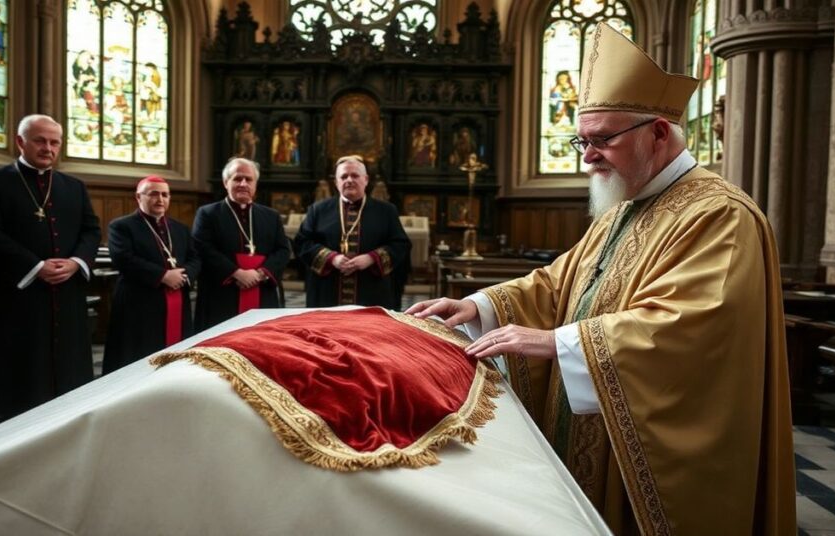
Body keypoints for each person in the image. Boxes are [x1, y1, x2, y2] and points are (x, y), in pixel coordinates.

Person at [407, 23, 795, 535]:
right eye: (581, 141)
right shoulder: (623, 209)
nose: (587, 156)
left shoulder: (721, 215)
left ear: (658, 132)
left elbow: (692, 327)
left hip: (655, 457)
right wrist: (480, 306)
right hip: (590, 427)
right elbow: (557, 283)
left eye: (602, 140)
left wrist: (562, 343)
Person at [0, 114, 101, 425]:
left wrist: (75, 262)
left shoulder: (74, 186)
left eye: (54, 142)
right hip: (14, 293)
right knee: (17, 369)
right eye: (40, 140)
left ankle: (66, 420)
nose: (48, 148)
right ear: (20, 142)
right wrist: (35, 266)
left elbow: (91, 230)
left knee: (66, 367)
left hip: (66, 291)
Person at [103, 176, 200, 373]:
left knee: (177, 355)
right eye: (153, 194)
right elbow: (123, 258)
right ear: (138, 197)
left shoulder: (180, 229)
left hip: (177, 300)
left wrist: (184, 275)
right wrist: (163, 276)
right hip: (138, 303)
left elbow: (195, 258)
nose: (160, 199)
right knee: (137, 357)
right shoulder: (122, 226)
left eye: (165, 194)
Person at [294, 156, 411, 309]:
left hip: (372, 290)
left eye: (355, 175)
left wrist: (371, 258)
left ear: (366, 179)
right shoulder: (318, 210)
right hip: (327, 290)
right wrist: (332, 258)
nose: (349, 180)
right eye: (343, 176)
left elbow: (400, 244)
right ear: (336, 183)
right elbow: (302, 242)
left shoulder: (386, 211)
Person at [192, 158, 290, 331]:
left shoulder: (271, 216)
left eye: (249, 179)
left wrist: (260, 273)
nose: (243, 184)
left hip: (262, 290)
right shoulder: (208, 213)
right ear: (225, 182)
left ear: (255, 184)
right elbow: (202, 248)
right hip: (222, 294)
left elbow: (283, 250)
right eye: (237, 179)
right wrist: (236, 273)